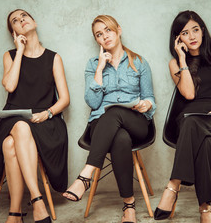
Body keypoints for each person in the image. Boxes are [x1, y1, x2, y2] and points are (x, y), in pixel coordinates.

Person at [62, 15, 156, 223]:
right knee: (120, 138)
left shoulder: (139, 62)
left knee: (114, 112)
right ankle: (129, 205)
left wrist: (147, 104)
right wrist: (99, 69)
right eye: (99, 34)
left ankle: (85, 175)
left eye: (108, 30)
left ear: (118, 30)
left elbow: (150, 97)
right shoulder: (93, 64)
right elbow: (93, 103)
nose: (104, 36)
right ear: (96, 40)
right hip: (102, 125)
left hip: (136, 122)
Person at [0, 9, 70, 223]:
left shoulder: (53, 58)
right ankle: (37, 199)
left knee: (9, 145)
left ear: (34, 21)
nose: (21, 20)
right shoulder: (10, 56)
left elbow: (64, 100)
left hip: (45, 121)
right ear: (13, 31)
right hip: (14, 120)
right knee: (20, 128)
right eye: (15, 20)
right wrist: (20, 50)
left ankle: (15, 214)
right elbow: (10, 85)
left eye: (24, 16)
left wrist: (47, 113)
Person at [154, 10, 211, 223]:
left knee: (205, 136)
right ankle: (205, 210)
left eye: (195, 30)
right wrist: (182, 58)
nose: (192, 37)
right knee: (201, 136)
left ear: (203, 30)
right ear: (178, 38)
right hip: (190, 119)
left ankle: (173, 186)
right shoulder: (175, 63)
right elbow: (189, 94)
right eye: (185, 33)